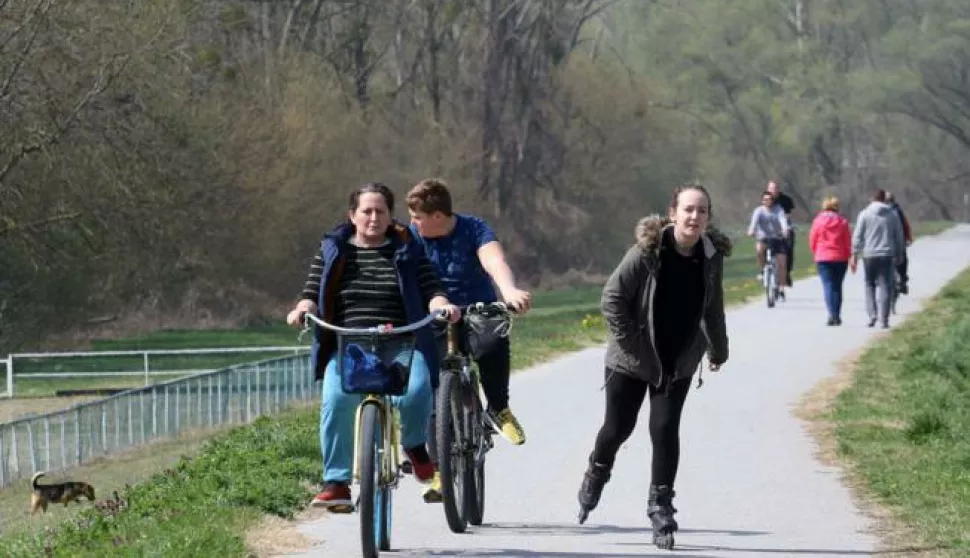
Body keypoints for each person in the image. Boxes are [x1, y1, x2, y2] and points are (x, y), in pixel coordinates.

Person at [285, 182, 461, 511]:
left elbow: (431, 287)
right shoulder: (333, 251)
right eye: (366, 211)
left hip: (401, 343)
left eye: (381, 211)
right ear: (352, 215)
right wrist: (303, 309)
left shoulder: (407, 249)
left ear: (390, 216)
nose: (373, 217)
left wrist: (441, 305)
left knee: (416, 392)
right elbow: (312, 290)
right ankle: (336, 483)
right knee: (336, 401)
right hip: (351, 345)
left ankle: (414, 446)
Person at [575, 184, 731, 550]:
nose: (694, 217)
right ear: (673, 212)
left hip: (677, 360)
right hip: (632, 360)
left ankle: (661, 507)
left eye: (702, 211)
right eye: (688, 209)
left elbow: (713, 307)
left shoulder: (711, 257)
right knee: (617, 428)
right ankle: (598, 468)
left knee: (664, 430)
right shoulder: (646, 252)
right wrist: (631, 344)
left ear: (708, 217)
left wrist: (719, 349)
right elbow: (611, 298)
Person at [850, 188, 906, 329]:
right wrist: (900, 253)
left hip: (869, 255)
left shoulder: (864, 214)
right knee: (885, 285)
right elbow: (899, 236)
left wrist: (854, 254)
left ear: (872, 199)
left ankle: (872, 314)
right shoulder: (892, 215)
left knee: (869, 284)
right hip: (887, 254)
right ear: (884, 199)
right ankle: (884, 319)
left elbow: (858, 236)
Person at [809, 196, 852, 326]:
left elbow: (812, 239)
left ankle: (831, 314)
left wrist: (815, 251)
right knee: (838, 287)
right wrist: (849, 255)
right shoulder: (843, 222)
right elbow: (847, 241)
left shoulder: (818, 221)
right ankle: (837, 315)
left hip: (823, 257)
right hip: (840, 257)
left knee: (828, 286)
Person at [747, 190, 791, 297]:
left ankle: (781, 287)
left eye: (770, 199)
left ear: (773, 200)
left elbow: (783, 221)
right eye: (765, 199)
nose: (768, 201)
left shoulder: (778, 210)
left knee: (782, 263)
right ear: (762, 201)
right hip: (763, 238)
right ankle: (763, 270)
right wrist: (751, 230)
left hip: (778, 239)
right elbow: (753, 223)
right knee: (759, 250)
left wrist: (785, 230)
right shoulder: (759, 211)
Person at [767, 180, 796, 286]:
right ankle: (765, 270)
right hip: (769, 230)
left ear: (779, 189)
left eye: (775, 188)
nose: (773, 191)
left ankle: (787, 272)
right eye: (771, 188)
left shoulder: (786, 200)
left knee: (788, 248)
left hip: (784, 228)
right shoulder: (766, 199)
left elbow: (789, 215)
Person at [884, 192, 913, 294]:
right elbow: (905, 225)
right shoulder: (898, 210)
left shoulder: (882, 210)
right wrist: (908, 238)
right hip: (898, 241)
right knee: (903, 259)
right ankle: (903, 280)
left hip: (884, 243)